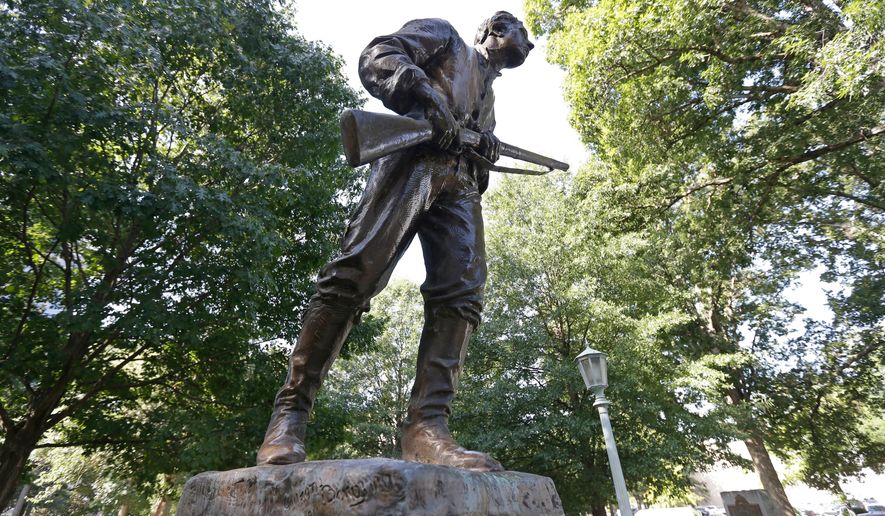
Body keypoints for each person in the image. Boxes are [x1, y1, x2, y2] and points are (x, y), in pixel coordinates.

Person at [256, 11, 534, 472]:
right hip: (410, 163)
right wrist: (425, 93)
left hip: (460, 183)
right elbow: (378, 55)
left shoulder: (490, 91)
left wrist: (486, 145)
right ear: (496, 32)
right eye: (525, 33)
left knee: (462, 295)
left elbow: (476, 153)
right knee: (352, 276)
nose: (532, 44)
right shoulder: (445, 37)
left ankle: (427, 427)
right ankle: (290, 415)